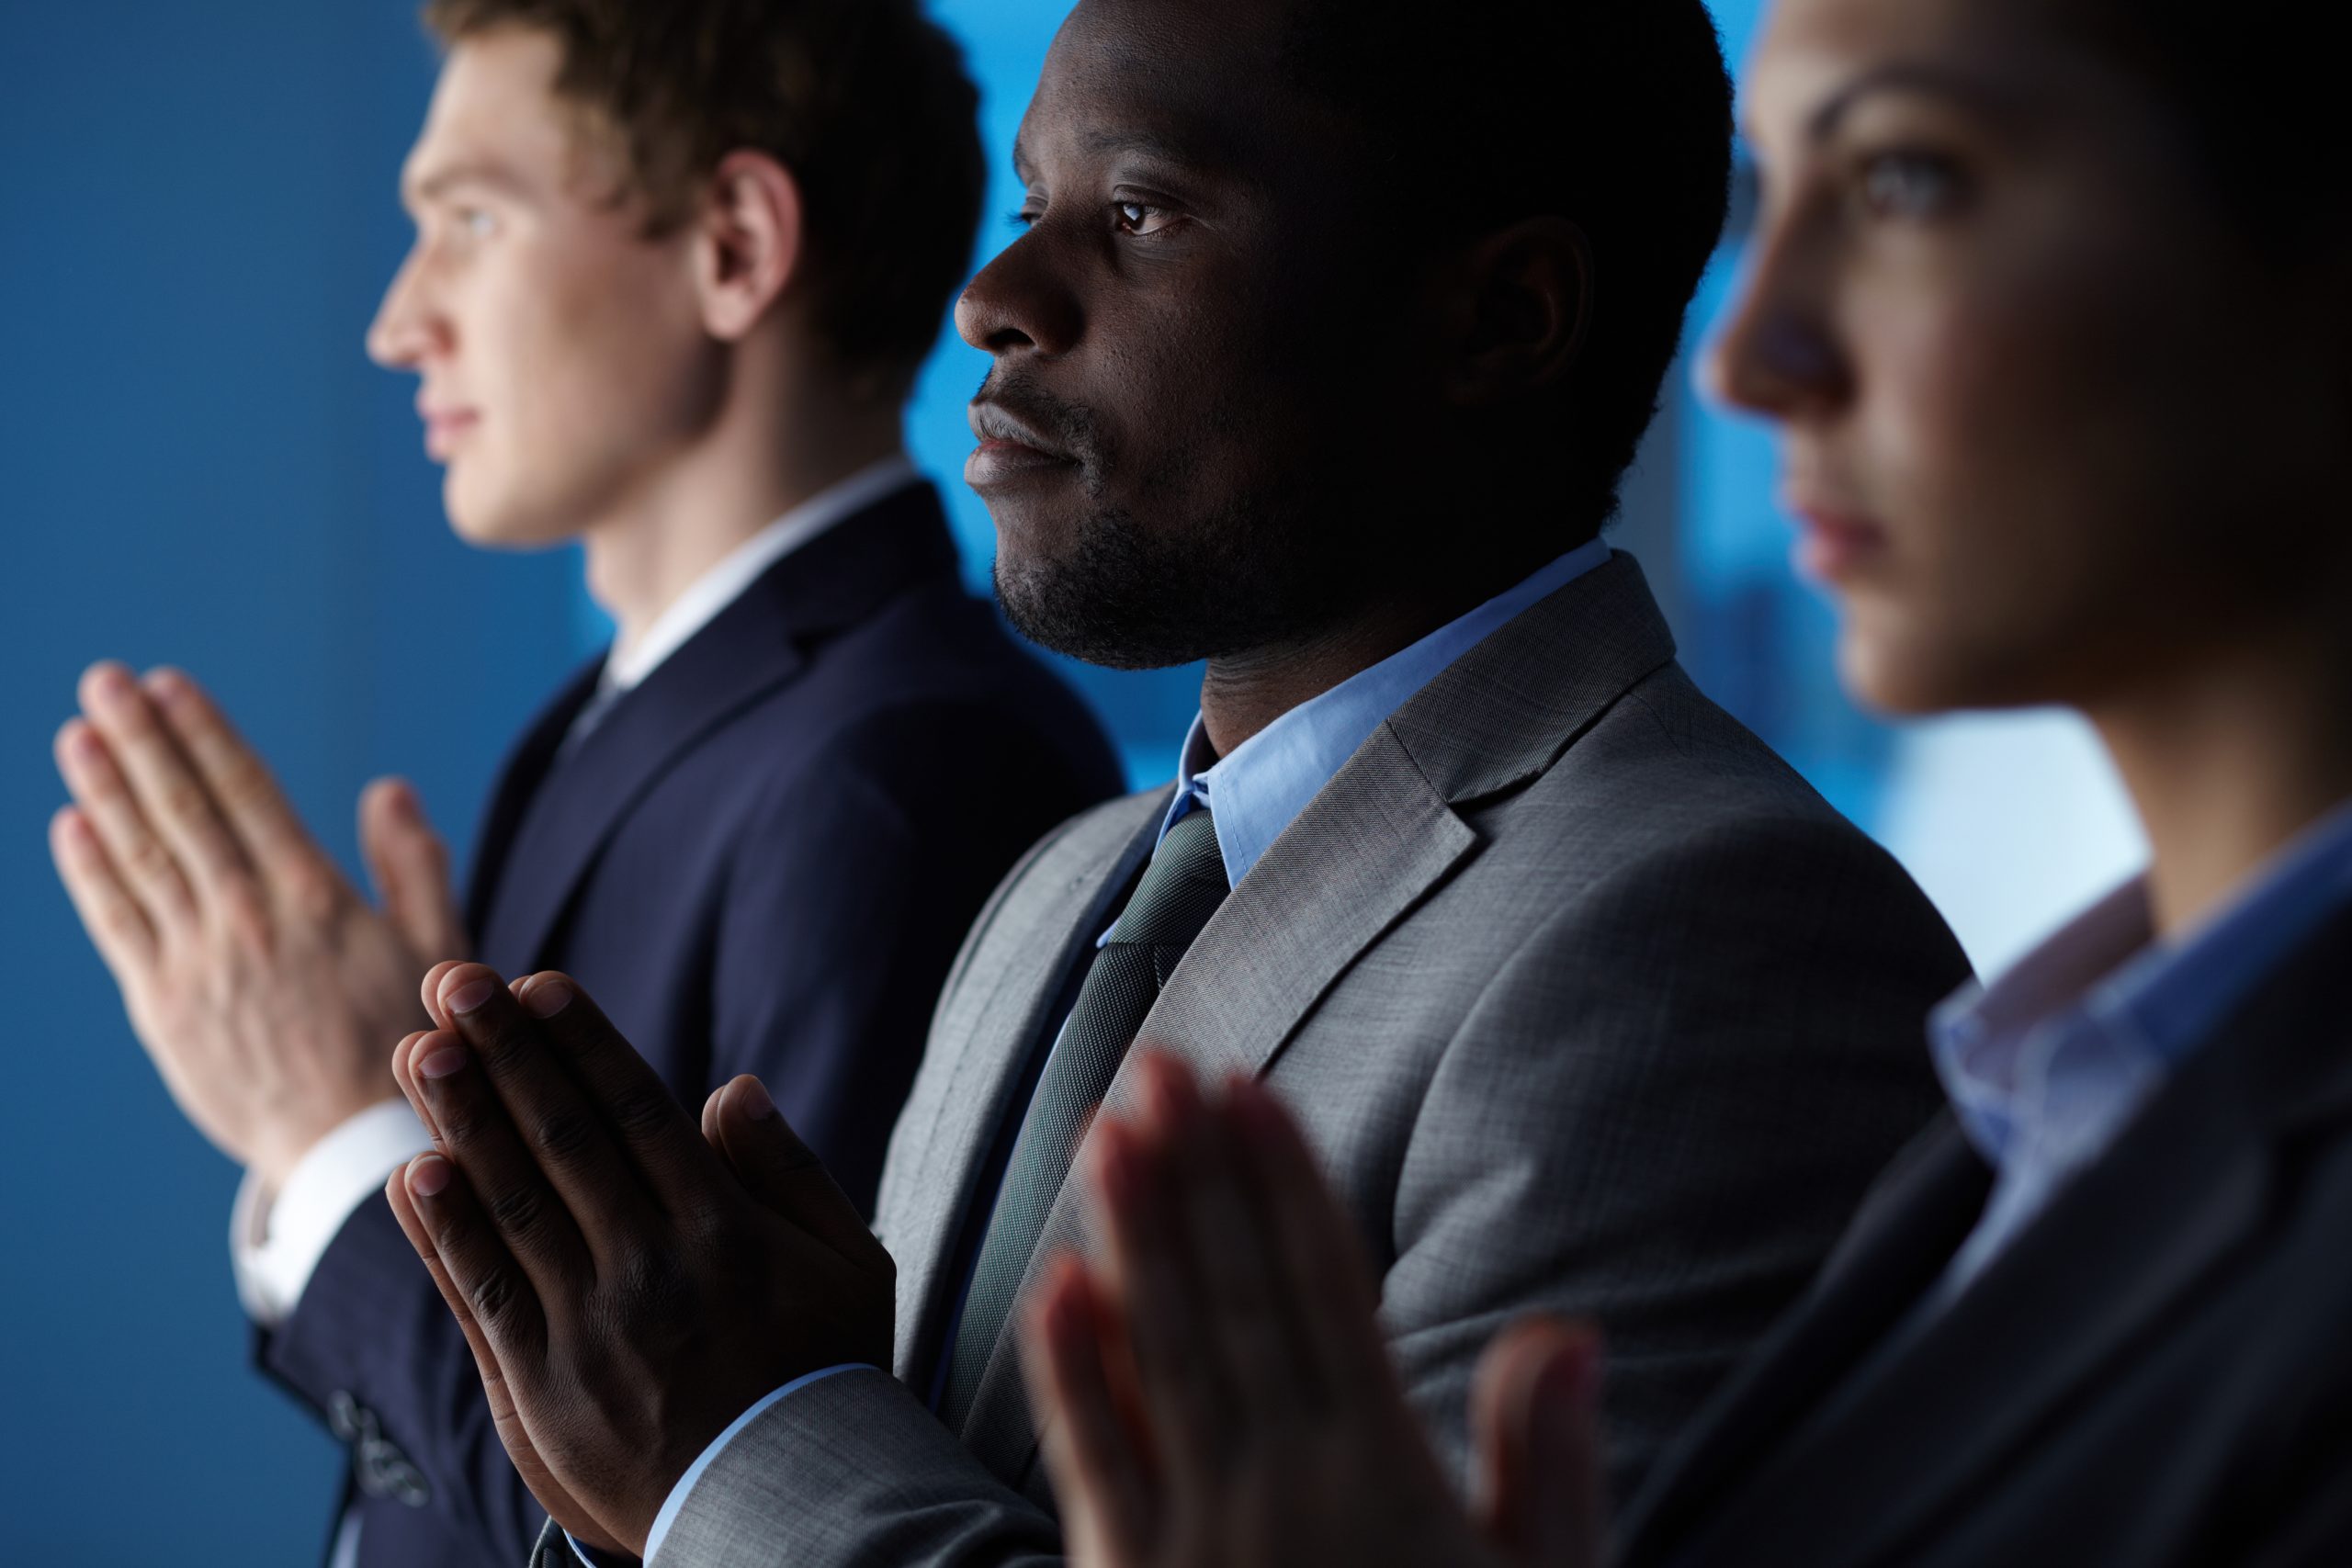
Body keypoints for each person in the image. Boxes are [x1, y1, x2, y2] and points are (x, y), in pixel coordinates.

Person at [374, 0, 1975, 1562]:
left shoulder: (1722, 943)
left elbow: (765, 1476)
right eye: (1029, 207)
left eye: (1139, 212)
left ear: (1502, 317)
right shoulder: (1058, 892)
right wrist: (663, 1474)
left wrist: (733, 1453)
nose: (995, 296)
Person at [1016, 0, 2352, 1562]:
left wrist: (783, 1429)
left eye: (1907, 179)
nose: (1743, 359)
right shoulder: (2038, 1108)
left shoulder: (1733, 940)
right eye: (1777, 197)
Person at [44, 4, 1118, 1565]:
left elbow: (749, 1503)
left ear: (735, 247)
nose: (399, 322)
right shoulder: (601, 720)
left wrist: (337, 1136)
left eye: (472, 219)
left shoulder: (911, 762)